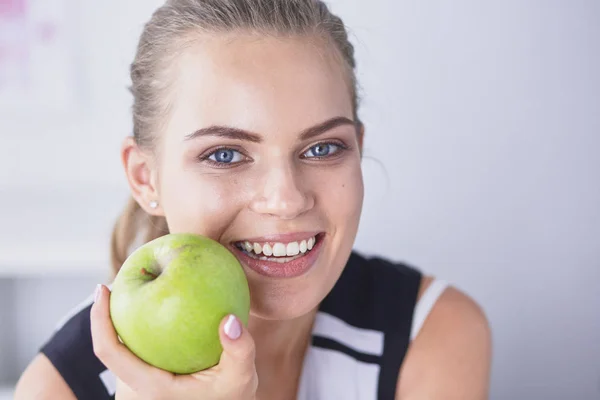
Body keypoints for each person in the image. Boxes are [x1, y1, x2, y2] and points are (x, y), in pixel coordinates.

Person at [14, 0, 492, 399]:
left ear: (359, 151)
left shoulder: (429, 335)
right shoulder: (62, 387)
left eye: (323, 148)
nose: (285, 200)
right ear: (146, 178)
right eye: (225, 154)